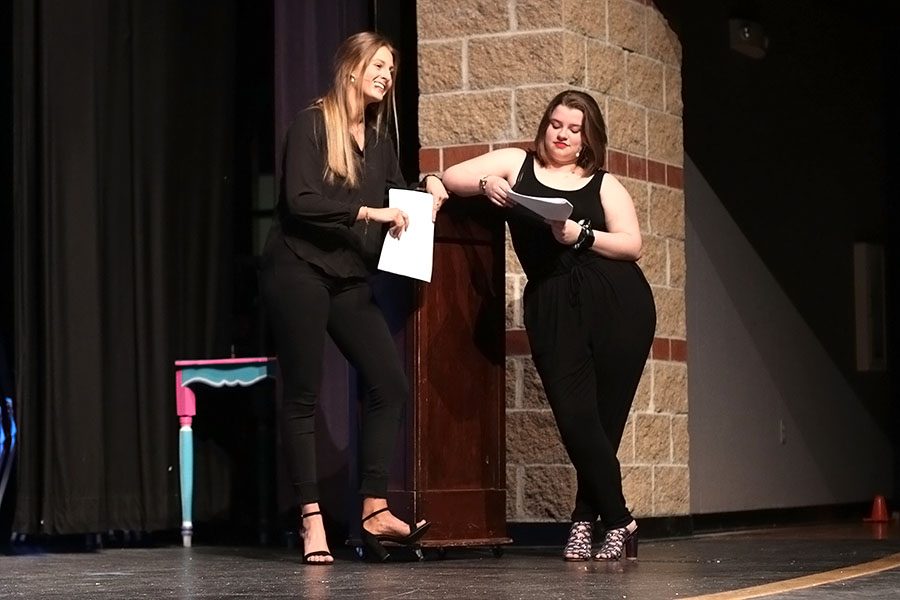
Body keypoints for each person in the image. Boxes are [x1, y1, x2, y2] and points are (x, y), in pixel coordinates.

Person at [442, 90, 656, 562]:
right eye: (557, 124)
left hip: (619, 302)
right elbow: (452, 176)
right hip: (552, 303)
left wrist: (580, 234)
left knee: (604, 422)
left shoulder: (602, 183)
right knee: (575, 417)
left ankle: (584, 518)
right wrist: (484, 184)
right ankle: (621, 520)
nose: (562, 134)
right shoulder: (517, 163)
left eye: (574, 129)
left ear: (587, 139)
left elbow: (632, 244)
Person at [259, 31, 448, 565]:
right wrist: (368, 214)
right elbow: (299, 199)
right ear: (351, 69)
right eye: (379, 65)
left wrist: (429, 183)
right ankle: (311, 518)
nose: (387, 76)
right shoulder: (311, 124)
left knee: (390, 383)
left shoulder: (377, 139)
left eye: (391, 69)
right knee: (302, 393)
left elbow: (398, 193)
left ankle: (372, 508)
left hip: (345, 275)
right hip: (296, 267)